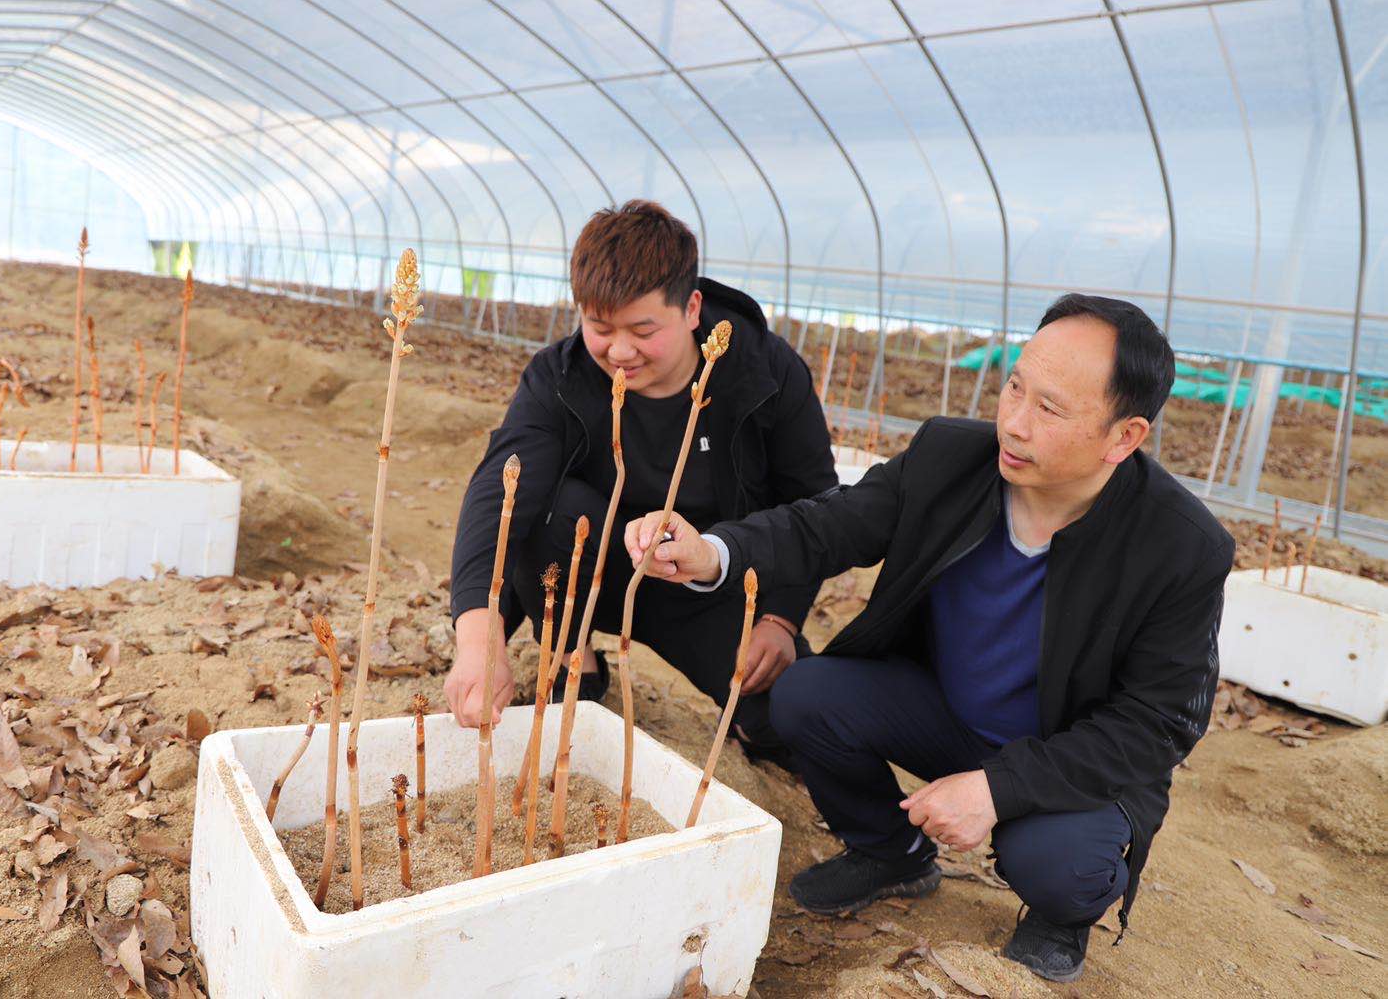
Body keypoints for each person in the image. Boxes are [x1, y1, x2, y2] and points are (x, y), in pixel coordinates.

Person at [623, 295, 1234, 983]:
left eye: (1050, 409)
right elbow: (829, 524)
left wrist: (997, 791)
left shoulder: (1180, 547)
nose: (1015, 422)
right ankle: (893, 853)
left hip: (1066, 757)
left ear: (1123, 437)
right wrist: (713, 551)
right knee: (803, 693)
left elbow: (1157, 725)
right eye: (1013, 388)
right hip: (946, 714)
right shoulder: (953, 457)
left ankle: (1059, 917)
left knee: (1061, 867)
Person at [443, 200, 838, 764]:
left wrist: (780, 616)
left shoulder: (764, 374)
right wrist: (481, 637)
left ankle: (755, 719)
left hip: (709, 578)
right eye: (600, 327)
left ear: (692, 308)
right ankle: (574, 656)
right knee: (554, 509)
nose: (619, 352)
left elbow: (813, 503)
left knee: (788, 725)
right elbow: (499, 494)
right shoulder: (560, 375)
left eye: (642, 330)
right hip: (590, 566)